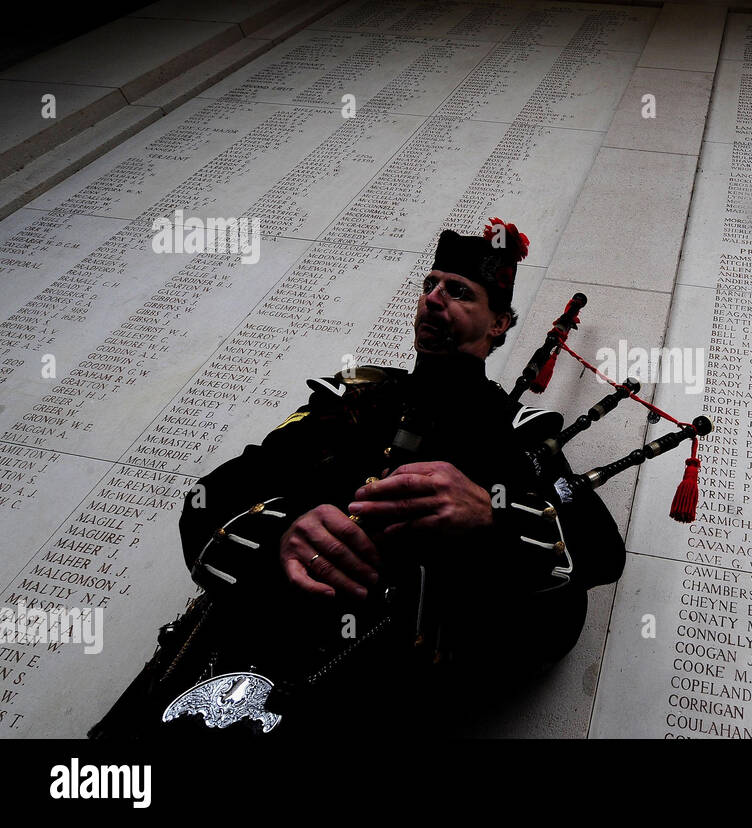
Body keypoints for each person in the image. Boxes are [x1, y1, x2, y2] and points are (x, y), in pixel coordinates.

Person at [89, 220, 626, 737]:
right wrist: (284, 532)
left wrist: (491, 516)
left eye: (459, 291)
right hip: (224, 669)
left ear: (499, 324)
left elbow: (600, 553)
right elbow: (213, 496)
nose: (433, 297)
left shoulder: (519, 435)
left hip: (374, 694)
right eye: (429, 284)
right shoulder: (351, 400)